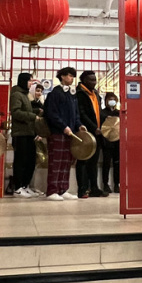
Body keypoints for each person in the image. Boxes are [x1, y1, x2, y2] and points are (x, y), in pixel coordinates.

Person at [43, 67, 84, 201]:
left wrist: (79, 125)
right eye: (70, 76)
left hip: (70, 133)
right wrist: (63, 127)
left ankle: (63, 189)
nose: (72, 79)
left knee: (66, 162)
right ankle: (52, 190)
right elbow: (51, 114)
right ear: (62, 76)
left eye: (73, 76)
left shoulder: (71, 94)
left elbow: (76, 114)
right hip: (57, 133)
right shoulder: (55, 93)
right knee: (56, 162)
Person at [76, 71, 108, 198]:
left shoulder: (96, 94)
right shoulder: (80, 94)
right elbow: (82, 113)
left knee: (93, 162)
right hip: (86, 132)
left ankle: (94, 188)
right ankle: (82, 189)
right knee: (83, 161)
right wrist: (94, 127)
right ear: (84, 81)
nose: (94, 82)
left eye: (95, 80)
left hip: (98, 133)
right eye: (91, 80)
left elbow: (99, 112)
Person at [10, 72, 40, 198]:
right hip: (20, 133)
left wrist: (37, 111)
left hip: (29, 132)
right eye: (29, 81)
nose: (31, 83)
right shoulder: (16, 94)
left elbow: (26, 110)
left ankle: (25, 185)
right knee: (20, 161)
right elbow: (16, 112)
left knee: (30, 160)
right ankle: (17, 187)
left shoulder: (25, 95)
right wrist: (32, 116)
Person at [100, 92, 120, 194]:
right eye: (110, 99)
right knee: (106, 163)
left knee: (117, 163)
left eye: (114, 99)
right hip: (106, 141)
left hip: (117, 141)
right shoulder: (102, 113)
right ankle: (105, 184)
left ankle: (117, 184)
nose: (112, 101)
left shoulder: (119, 113)